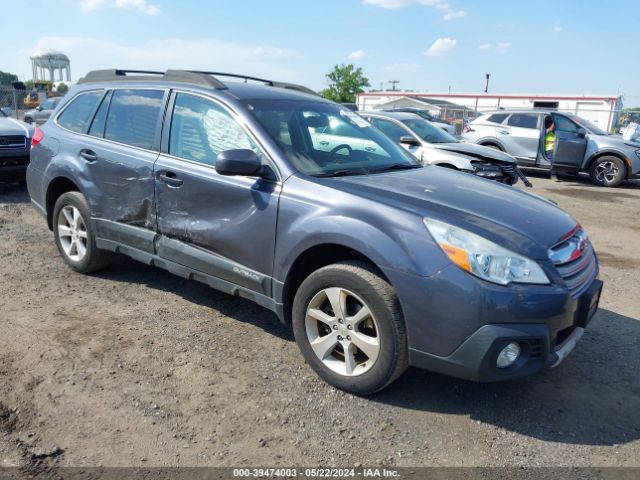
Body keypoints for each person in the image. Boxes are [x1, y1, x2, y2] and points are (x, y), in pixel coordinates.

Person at [544, 116, 558, 180]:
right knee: (553, 160)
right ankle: (553, 175)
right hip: (549, 149)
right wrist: (555, 122)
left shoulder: (553, 133)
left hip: (554, 148)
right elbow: (550, 129)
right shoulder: (545, 131)